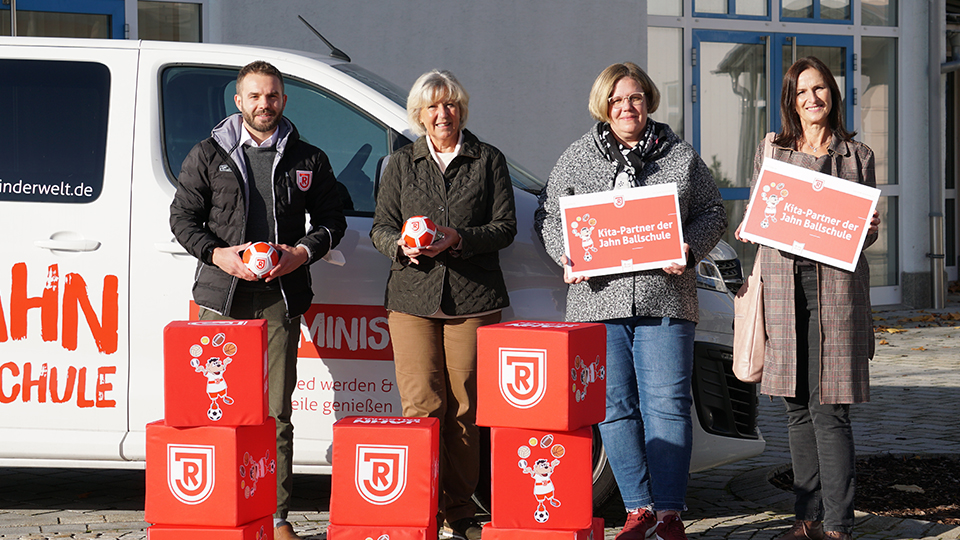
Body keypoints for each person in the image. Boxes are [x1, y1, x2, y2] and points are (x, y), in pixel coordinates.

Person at [535, 62, 726, 540]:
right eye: (618, 100)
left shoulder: (680, 156)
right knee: (614, 407)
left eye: (636, 97)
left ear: (649, 101)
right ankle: (637, 511)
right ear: (604, 104)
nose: (627, 107)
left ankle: (669, 514)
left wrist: (687, 249)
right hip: (599, 303)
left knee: (667, 406)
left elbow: (712, 212)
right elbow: (548, 213)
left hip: (665, 299)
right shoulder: (577, 157)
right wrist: (564, 254)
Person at [170, 60, 346, 540]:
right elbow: (182, 219)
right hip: (220, 296)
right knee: (214, 410)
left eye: (272, 96)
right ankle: (216, 508)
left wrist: (302, 253)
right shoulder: (208, 154)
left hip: (278, 297)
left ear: (283, 100)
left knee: (274, 411)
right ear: (239, 100)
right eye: (254, 96)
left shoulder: (308, 158)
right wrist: (218, 255)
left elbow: (334, 219)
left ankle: (276, 516)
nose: (263, 105)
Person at [736, 56, 880, 540]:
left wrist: (869, 230)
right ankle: (806, 519)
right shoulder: (772, 149)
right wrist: (751, 224)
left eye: (819, 90)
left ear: (832, 96)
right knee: (796, 408)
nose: (811, 99)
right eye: (801, 92)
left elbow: (860, 233)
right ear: (790, 101)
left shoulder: (857, 156)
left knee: (830, 409)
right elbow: (762, 211)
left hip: (835, 296)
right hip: (782, 292)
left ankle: (837, 524)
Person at [370, 69, 516, 540]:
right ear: (419, 114)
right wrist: (401, 246)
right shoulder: (400, 163)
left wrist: (459, 238)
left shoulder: (488, 159)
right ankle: (423, 508)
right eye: (432, 106)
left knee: (465, 408)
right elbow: (380, 227)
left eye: (450, 104)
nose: (442, 114)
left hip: (472, 299)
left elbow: (505, 227)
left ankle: (460, 509)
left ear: (462, 109)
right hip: (412, 297)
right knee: (422, 405)